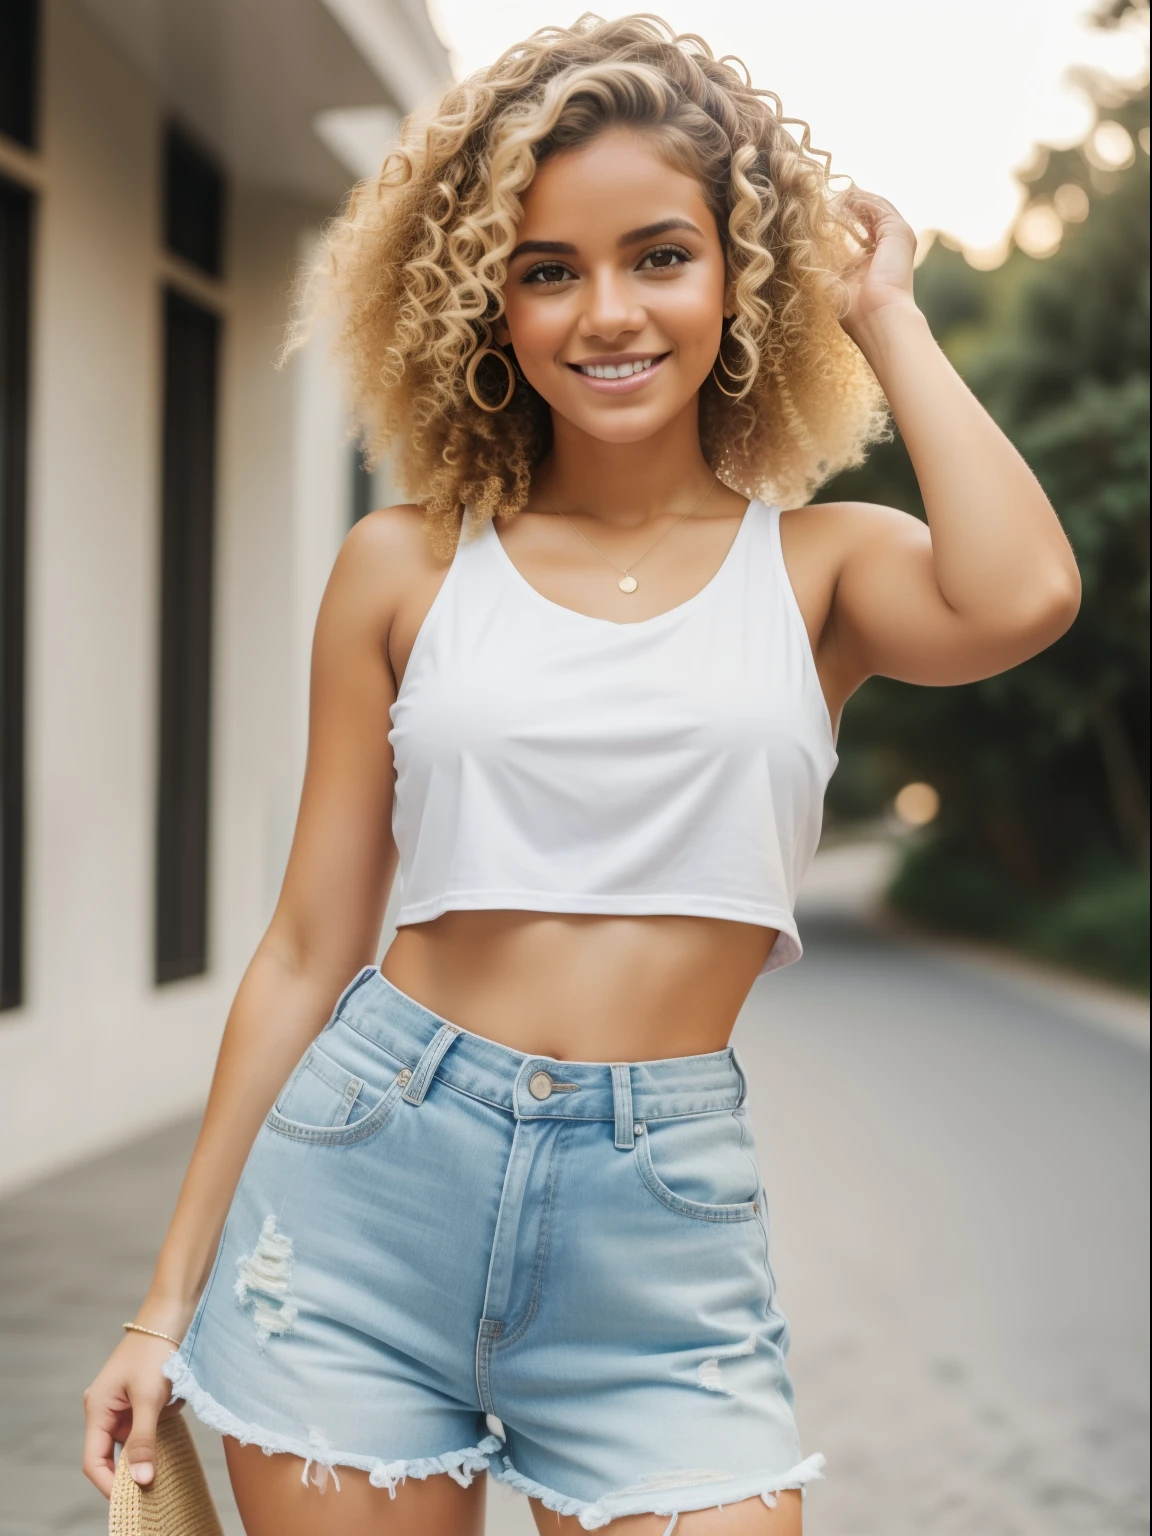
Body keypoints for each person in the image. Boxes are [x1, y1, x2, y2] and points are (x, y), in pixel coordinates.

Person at [81, 15, 1081, 1534]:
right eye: (549, 268)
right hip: (358, 1192)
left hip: (658, 1227)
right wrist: (165, 1301)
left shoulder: (822, 568)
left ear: (740, 278)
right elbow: (304, 948)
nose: (606, 313)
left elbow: (1022, 597)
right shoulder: (405, 565)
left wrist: (887, 314)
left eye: (661, 255)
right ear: (486, 297)